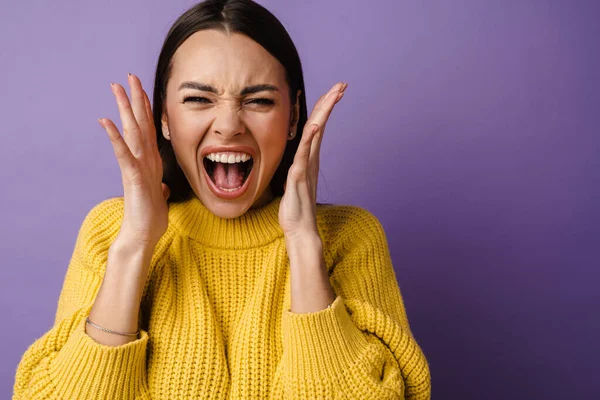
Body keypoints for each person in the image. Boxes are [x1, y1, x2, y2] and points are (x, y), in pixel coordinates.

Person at [13, 0, 431, 398]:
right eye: (198, 99)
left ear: (293, 116)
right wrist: (136, 245)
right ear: (164, 117)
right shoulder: (110, 232)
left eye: (259, 100)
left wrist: (304, 245)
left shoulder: (351, 238)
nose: (229, 125)